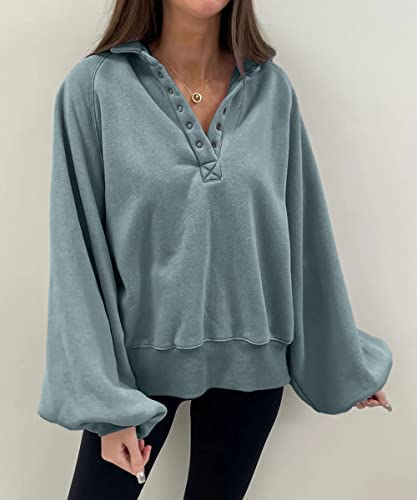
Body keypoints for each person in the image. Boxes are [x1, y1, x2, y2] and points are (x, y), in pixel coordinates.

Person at [37, 0, 394, 498]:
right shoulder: (95, 88)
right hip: (135, 373)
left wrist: (342, 362)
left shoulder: (272, 90)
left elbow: (304, 232)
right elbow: (77, 256)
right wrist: (106, 406)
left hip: (254, 369)